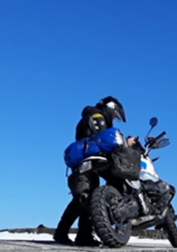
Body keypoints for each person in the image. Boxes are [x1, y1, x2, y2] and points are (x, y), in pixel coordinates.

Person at [53, 96, 127, 246]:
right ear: (110, 108)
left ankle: (67, 234)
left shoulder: (91, 116)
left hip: (85, 165)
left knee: (82, 200)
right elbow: (102, 139)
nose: (113, 118)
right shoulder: (97, 117)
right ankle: (82, 236)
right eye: (114, 114)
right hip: (88, 165)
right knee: (88, 199)